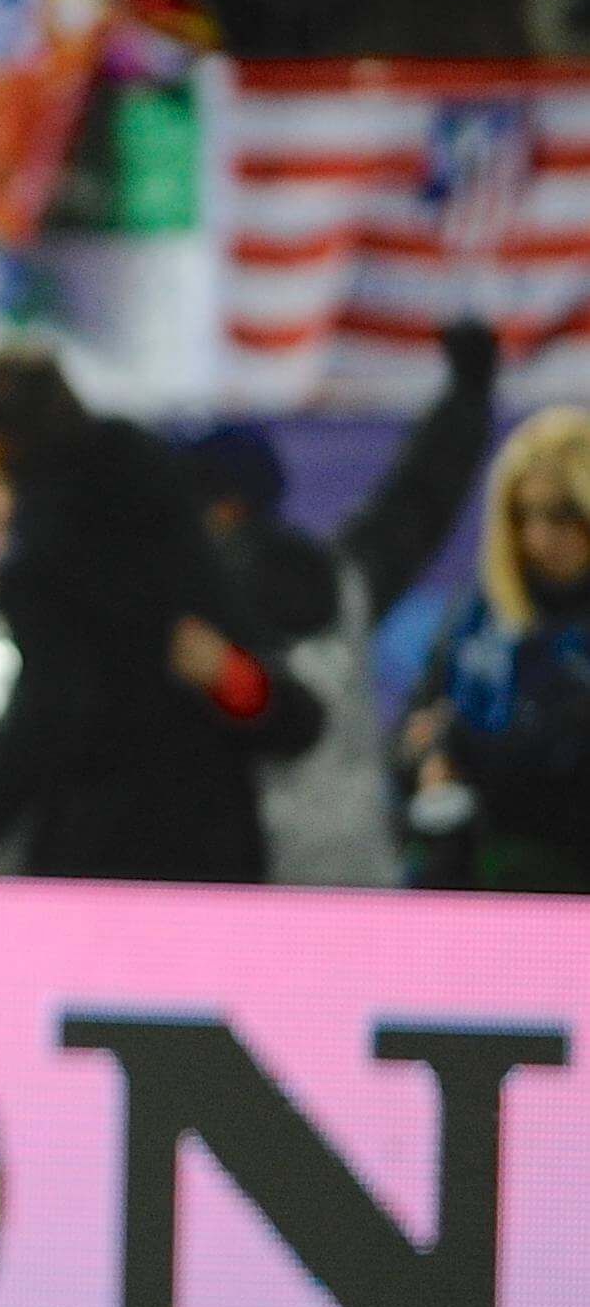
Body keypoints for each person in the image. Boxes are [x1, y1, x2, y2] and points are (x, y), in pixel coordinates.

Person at [0, 348, 320, 882]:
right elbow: (284, 705)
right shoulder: (161, 515)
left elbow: (43, 726)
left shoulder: (43, 570)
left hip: (102, 858)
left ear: (1, 450)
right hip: (218, 845)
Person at [186, 321, 499, 887]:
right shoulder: (345, 579)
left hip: (227, 883)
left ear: (221, 509)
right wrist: (470, 393)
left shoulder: (186, 607)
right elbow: (421, 497)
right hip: (353, 872)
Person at [397, 405, 590, 891]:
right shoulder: (480, 610)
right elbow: (416, 720)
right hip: (471, 873)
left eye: (562, 514)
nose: (541, 536)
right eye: (524, 514)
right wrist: (426, 754)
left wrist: (461, 744)